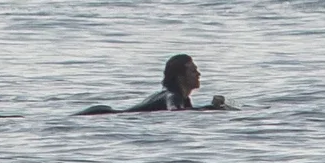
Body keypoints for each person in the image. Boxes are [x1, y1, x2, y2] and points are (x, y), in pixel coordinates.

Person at [78, 54, 226, 114]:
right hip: (102, 114)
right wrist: (210, 108)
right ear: (180, 77)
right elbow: (174, 113)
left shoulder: (182, 98)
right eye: (193, 71)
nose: (199, 75)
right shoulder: (172, 96)